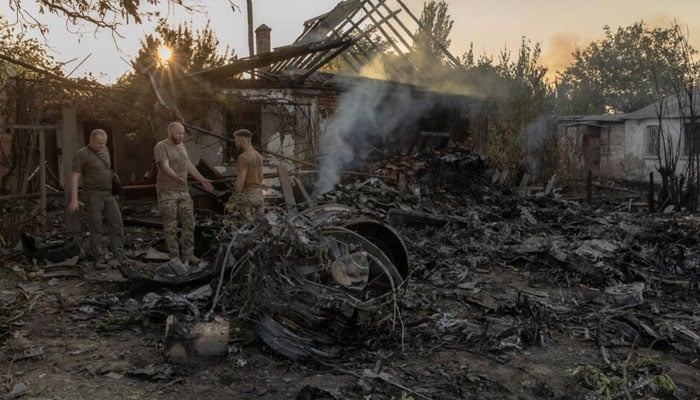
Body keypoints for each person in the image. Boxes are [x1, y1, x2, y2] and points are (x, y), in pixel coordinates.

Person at [154, 121, 214, 264]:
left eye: (182, 133)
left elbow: (188, 164)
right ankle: (174, 257)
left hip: (183, 191)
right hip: (167, 191)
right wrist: (177, 177)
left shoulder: (181, 145)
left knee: (189, 223)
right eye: (178, 133)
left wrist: (202, 179)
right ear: (170, 132)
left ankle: (188, 254)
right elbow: (164, 167)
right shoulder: (161, 146)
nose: (181, 136)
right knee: (171, 226)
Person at [67, 129, 127, 267]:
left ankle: (120, 255)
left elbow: (107, 171)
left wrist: (114, 190)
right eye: (99, 143)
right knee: (96, 227)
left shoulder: (105, 150)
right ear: (91, 140)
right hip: (93, 195)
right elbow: (75, 176)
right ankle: (98, 257)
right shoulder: (82, 154)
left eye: (104, 143)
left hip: (109, 194)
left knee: (117, 224)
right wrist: (75, 199)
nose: (101, 146)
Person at [226, 129, 264, 223]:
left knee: (247, 228)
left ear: (242, 141)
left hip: (248, 196)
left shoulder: (243, 157)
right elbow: (260, 176)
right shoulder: (258, 156)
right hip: (259, 194)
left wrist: (234, 198)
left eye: (236, 141)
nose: (235, 144)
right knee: (258, 228)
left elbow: (241, 181)